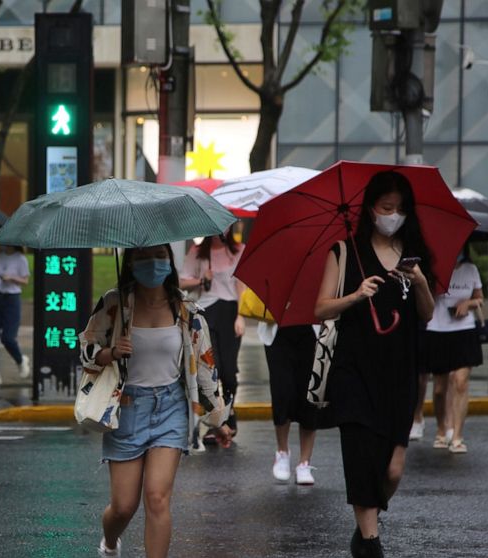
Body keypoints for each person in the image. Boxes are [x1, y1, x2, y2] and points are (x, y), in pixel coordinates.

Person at [80, 244, 232, 558]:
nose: (153, 264)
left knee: (157, 498)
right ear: (131, 263)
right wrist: (111, 352)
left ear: (170, 262)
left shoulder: (186, 308)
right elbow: (86, 351)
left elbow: (205, 367)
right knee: (123, 507)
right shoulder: (115, 304)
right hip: (127, 409)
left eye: (159, 257)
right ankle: (110, 542)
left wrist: (219, 419)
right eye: (143, 257)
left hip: (171, 408)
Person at [314, 171, 435, 558]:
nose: (393, 215)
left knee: (392, 470)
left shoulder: (414, 253)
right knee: (361, 457)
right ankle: (370, 542)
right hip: (354, 370)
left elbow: (427, 314)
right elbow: (319, 308)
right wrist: (354, 295)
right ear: (370, 209)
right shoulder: (344, 250)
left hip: (400, 372)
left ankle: (365, 528)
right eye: (386, 208)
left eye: (400, 209)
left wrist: (420, 283)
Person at [417, 248, 484, 453]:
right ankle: (441, 429)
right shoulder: (431, 269)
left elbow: (479, 298)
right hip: (437, 330)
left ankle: (457, 436)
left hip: (463, 331)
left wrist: (468, 303)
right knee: (439, 389)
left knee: (460, 381)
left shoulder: (471, 269)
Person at [179, 233, 246, 434]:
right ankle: (216, 420)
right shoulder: (197, 252)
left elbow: (241, 286)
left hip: (230, 313)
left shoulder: (238, 251)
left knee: (228, 371)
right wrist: (200, 280)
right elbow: (181, 282)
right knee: (210, 368)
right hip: (206, 312)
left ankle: (229, 412)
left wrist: (241, 316)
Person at [259, 321, 318, 484]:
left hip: (312, 328)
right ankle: (282, 451)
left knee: (309, 394)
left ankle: (305, 462)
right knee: (281, 391)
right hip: (277, 327)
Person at [0, 245, 31, 386]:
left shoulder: (20, 258)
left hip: (12, 299)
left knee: (8, 338)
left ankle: (21, 360)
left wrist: (11, 278)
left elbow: (25, 281)